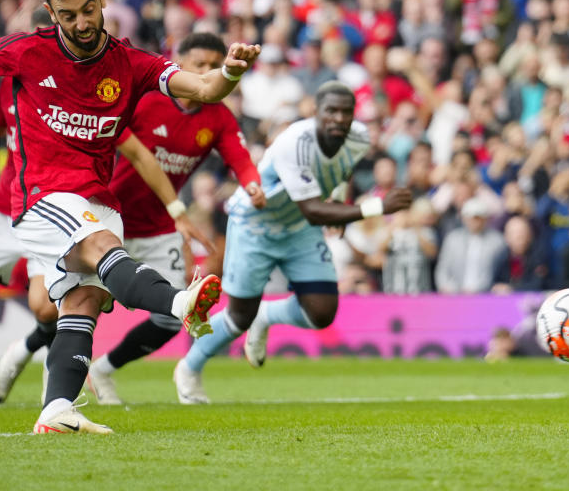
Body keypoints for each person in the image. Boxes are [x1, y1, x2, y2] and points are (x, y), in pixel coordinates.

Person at [0, 0, 260, 434]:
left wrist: (231, 73)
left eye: (88, 9)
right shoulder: (26, 51)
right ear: (50, 12)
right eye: (68, 15)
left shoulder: (130, 62)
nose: (80, 23)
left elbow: (204, 87)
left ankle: (55, 410)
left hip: (98, 199)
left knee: (82, 304)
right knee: (101, 251)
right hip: (42, 195)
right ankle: (180, 304)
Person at [0, 73, 213, 407]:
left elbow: (138, 152)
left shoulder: (86, 93)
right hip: (5, 209)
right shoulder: (15, 78)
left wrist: (177, 209)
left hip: (60, 210)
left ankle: (53, 399)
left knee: (50, 307)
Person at [173, 82, 412, 404]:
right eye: (331, 111)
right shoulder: (295, 143)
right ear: (316, 113)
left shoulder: (359, 137)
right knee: (238, 316)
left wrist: (339, 200)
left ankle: (267, 315)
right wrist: (377, 207)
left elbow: (341, 171)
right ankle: (189, 367)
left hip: (298, 226)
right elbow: (313, 209)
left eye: (345, 111)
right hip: (256, 225)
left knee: (322, 311)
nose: (338, 118)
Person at [76, 33, 264, 405]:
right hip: (107, 217)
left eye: (214, 64)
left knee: (172, 315)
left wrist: (253, 186)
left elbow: (239, 160)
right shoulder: (144, 99)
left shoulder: (219, 117)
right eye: (199, 64)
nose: (207, 72)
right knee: (83, 302)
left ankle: (104, 369)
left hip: (161, 224)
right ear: (178, 63)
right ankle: (37, 362)